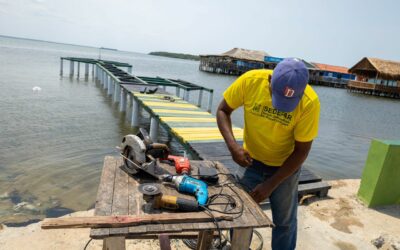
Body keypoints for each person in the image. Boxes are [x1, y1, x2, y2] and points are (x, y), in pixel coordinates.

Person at [216, 58, 320, 250]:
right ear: (270, 79)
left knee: (285, 223)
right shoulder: (250, 81)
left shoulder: (309, 103)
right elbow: (223, 110)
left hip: (285, 167)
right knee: (240, 213)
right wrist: (233, 148)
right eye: (278, 96)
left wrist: (271, 184)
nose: (280, 106)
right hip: (250, 161)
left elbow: (302, 151)